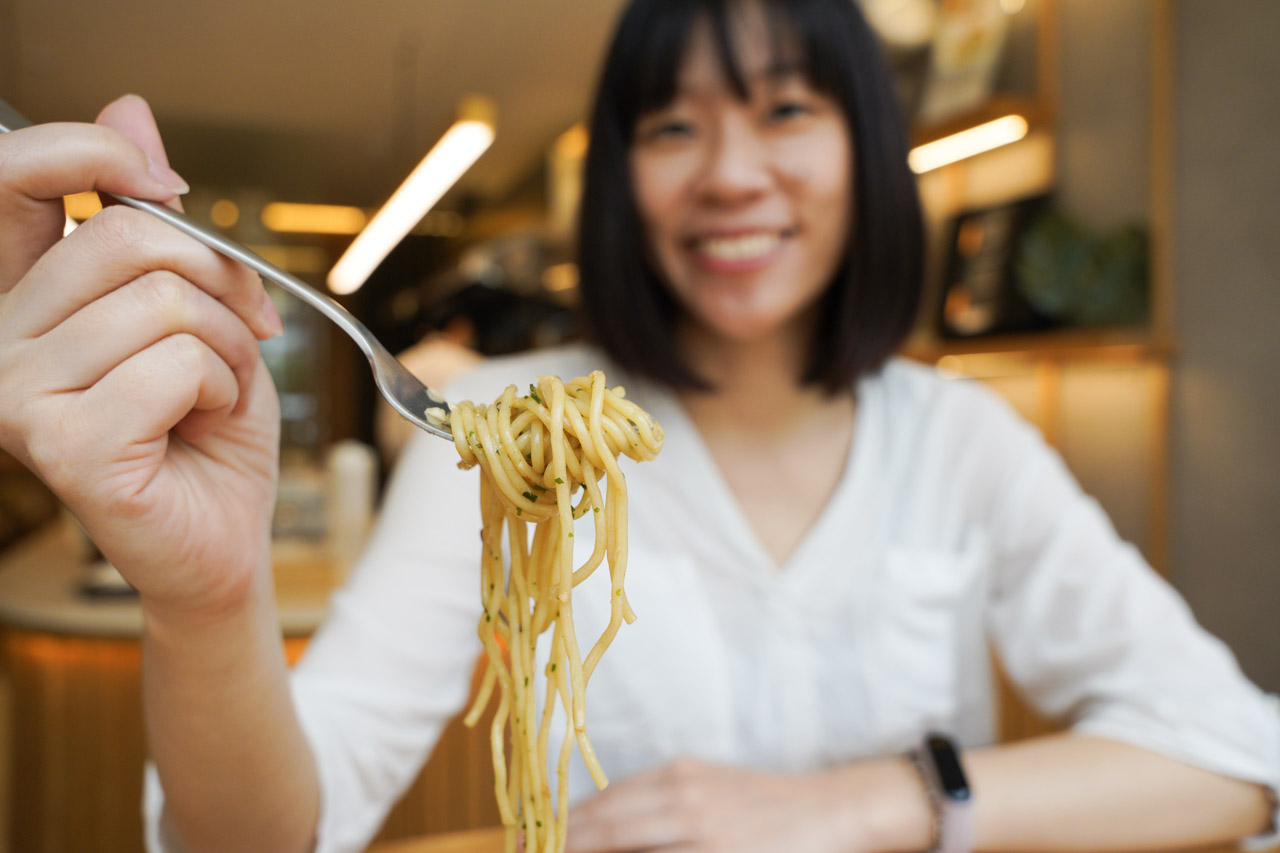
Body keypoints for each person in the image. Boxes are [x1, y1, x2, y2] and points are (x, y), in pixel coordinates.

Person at [0, 1, 1276, 851]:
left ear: (866, 154)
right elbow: (268, 832)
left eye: (785, 111)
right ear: (620, 180)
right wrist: (206, 597)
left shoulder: (957, 438)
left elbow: (1237, 752)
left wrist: (871, 801)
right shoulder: (504, 431)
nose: (728, 171)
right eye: (673, 125)